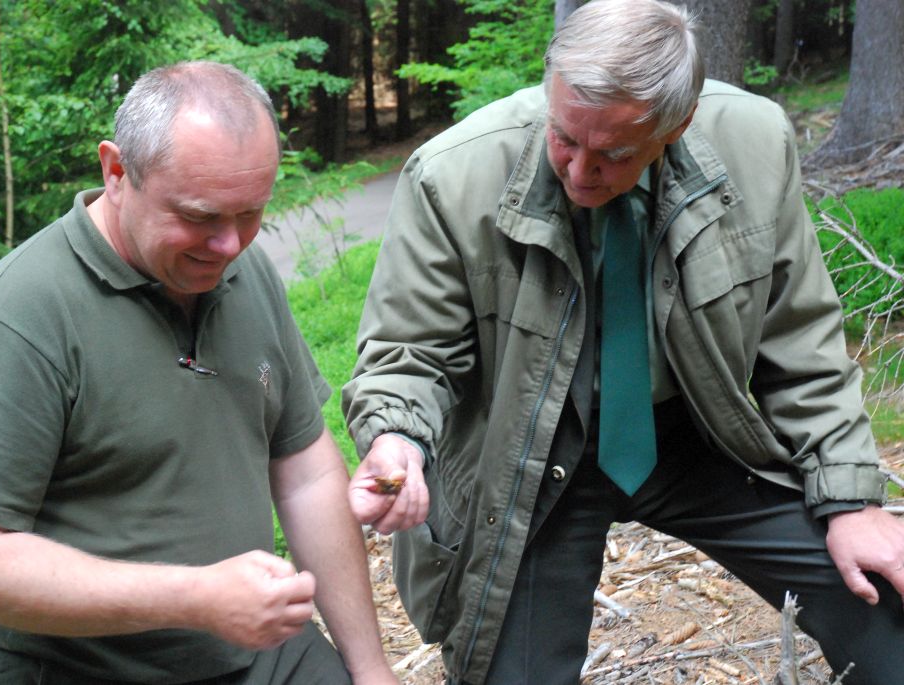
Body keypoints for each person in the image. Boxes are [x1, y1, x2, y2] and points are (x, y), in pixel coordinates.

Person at [341, 1, 904, 683]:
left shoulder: (754, 143)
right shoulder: (453, 177)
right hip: (535, 455)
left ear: (677, 125)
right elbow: (408, 352)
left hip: (707, 431)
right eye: (563, 137)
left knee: (882, 609)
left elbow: (800, 338)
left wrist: (851, 500)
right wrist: (397, 437)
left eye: (613, 154)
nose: (580, 171)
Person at [0, 61, 397, 685]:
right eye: (199, 216)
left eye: (250, 213)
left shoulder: (241, 273)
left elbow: (305, 472)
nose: (230, 245)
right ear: (116, 173)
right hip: (77, 668)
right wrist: (195, 598)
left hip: (257, 653)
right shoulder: (21, 317)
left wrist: (370, 667)